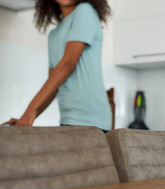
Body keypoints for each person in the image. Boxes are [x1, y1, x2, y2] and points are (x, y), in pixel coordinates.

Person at [1, 0, 112, 132]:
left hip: (92, 119)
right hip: (68, 119)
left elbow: (68, 63)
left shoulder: (85, 10)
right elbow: (54, 87)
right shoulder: (53, 35)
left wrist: (30, 109)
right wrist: (26, 118)